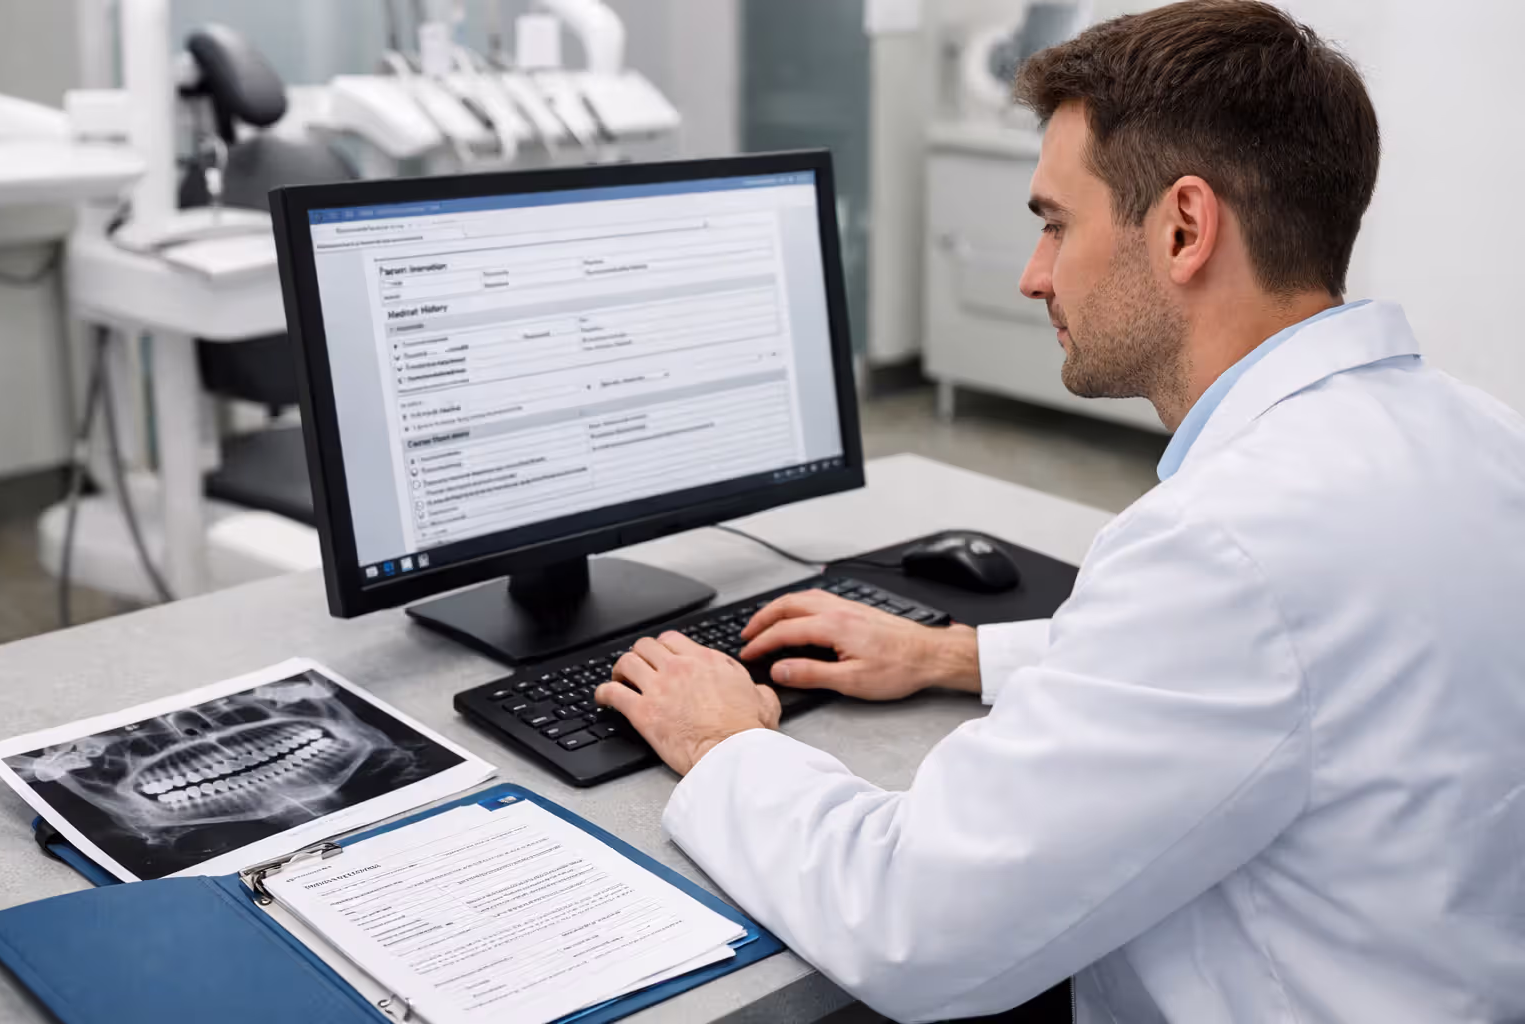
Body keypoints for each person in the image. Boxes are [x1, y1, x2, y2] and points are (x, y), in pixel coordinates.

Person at [595, 2, 1525, 1021]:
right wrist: (958, 654)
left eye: (1054, 223)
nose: (1036, 275)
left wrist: (727, 743)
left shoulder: (1224, 545)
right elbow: (1299, 674)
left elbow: (913, 925)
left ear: (1183, 227)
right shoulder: (1482, 437)